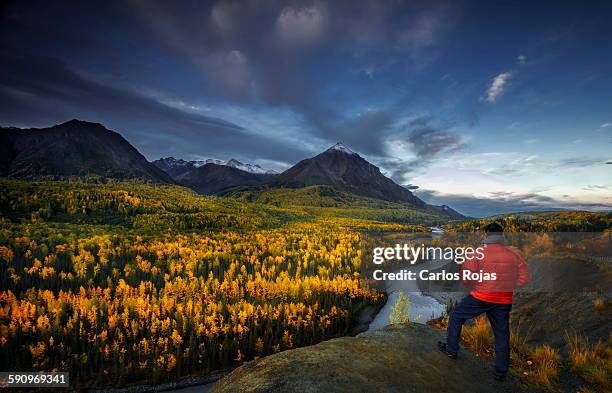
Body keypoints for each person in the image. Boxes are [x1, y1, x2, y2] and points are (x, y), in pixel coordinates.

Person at [438, 222, 531, 381]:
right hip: (503, 299)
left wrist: (475, 285)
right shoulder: (513, 255)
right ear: (502, 236)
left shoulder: (479, 253)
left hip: (482, 296)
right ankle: (500, 372)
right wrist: (508, 284)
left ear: (487, 236)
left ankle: (451, 350)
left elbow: (467, 277)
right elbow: (525, 279)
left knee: (456, 316)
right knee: (502, 334)